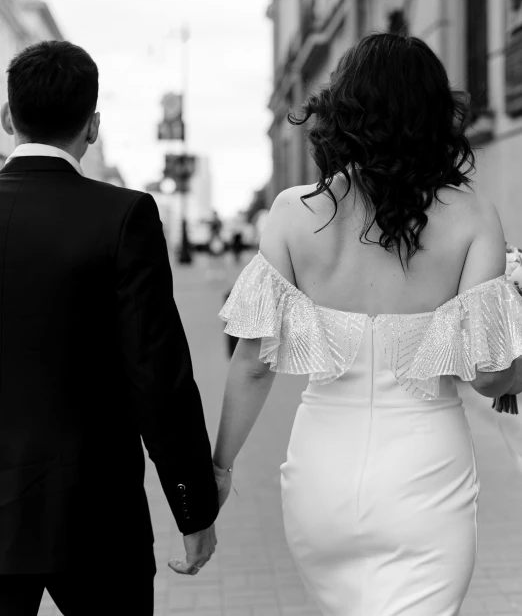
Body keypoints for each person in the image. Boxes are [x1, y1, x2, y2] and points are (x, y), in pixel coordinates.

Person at [212, 33, 522, 616]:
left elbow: (253, 364)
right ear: (434, 116)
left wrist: (221, 466)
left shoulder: (291, 213)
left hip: (321, 479)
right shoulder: (473, 215)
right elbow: (489, 373)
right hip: (427, 482)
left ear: (342, 113)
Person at [0, 41, 218, 616]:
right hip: (95, 516)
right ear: (92, 127)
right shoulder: (123, 217)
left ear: (6, 117)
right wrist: (193, 509)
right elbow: (158, 377)